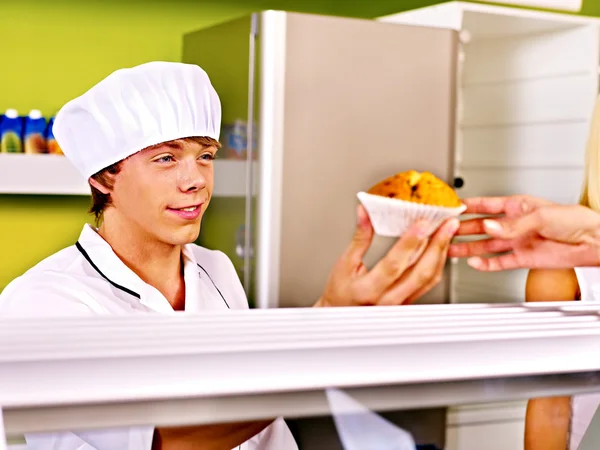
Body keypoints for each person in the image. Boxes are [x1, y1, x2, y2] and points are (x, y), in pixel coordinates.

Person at [0, 61, 458, 450]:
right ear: (104, 178)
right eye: (166, 159)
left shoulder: (216, 271)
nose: (195, 180)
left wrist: (332, 324)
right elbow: (171, 441)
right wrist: (327, 322)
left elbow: (262, 428)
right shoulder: (43, 301)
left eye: (206, 156)